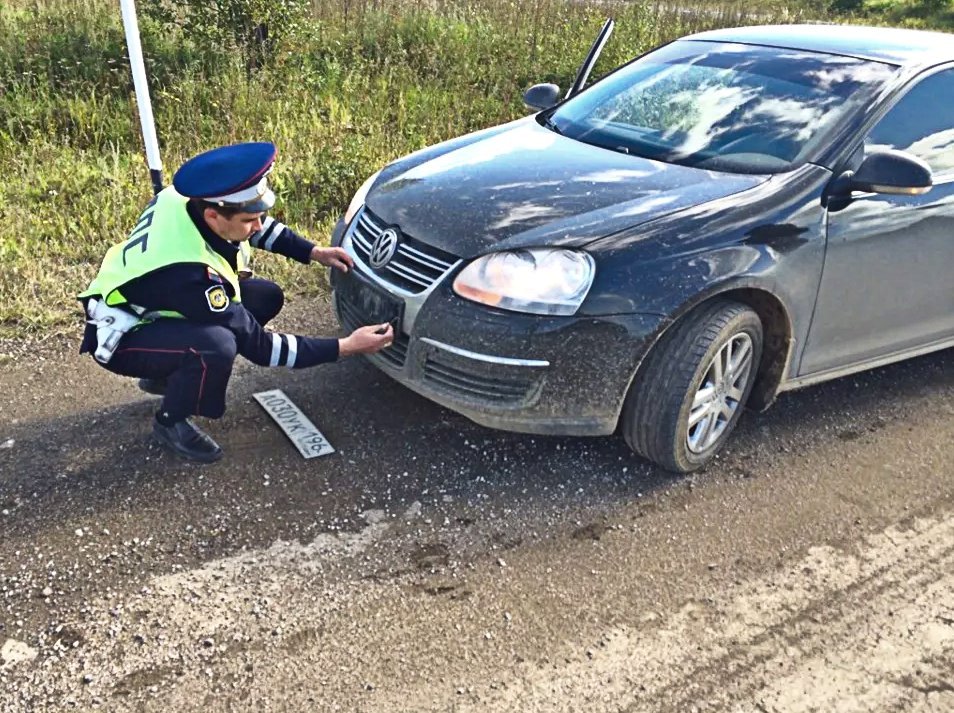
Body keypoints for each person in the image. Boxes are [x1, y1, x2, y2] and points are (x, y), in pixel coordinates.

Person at [78, 142, 393, 463]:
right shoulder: (193, 275)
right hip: (122, 336)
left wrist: (312, 252)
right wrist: (346, 347)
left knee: (266, 296)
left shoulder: (187, 197)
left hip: (148, 304)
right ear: (213, 215)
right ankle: (170, 421)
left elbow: (256, 225)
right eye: (249, 221)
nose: (257, 226)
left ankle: (169, 374)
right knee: (217, 346)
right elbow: (261, 347)